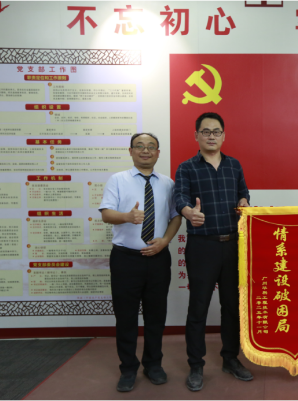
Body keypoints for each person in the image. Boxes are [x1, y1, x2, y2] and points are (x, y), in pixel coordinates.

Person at [174, 112, 252, 392]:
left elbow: (243, 192)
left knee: (232, 306)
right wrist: (188, 212)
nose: (211, 136)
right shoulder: (187, 167)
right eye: (205, 131)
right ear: (196, 135)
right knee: (199, 307)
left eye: (216, 131)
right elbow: (179, 197)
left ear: (223, 136)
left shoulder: (234, 165)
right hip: (202, 246)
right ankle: (196, 365)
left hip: (232, 245)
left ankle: (230, 358)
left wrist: (243, 201)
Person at [99, 133, 182, 392]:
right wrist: (127, 216)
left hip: (158, 258)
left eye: (151, 147)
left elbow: (176, 217)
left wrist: (165, 241)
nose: (145, 151)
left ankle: (153, 364)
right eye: (139, 146)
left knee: (156, 315)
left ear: (158, 153)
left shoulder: (168, 183)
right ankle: (128, 368)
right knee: (126, 317)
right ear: (131, 151)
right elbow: (106, 214)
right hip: (126, 259)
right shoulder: (118, 180)